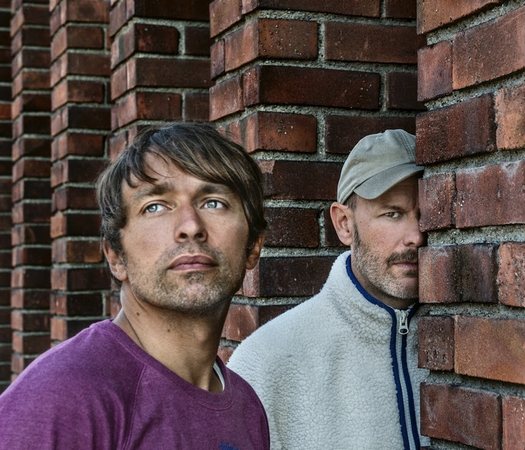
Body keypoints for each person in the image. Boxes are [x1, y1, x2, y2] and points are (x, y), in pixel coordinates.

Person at [0, 123, 270, 449]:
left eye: (213, 202)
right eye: (154, 206)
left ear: (253, 245)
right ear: (116, 256)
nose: (190, 227)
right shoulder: (62, 397)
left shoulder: (248, 409)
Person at [229, 129, 428, 449]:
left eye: (425, 215)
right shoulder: (266, 362)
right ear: (345, 224)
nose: (416, 236)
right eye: (393, 214)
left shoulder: (467, 342)